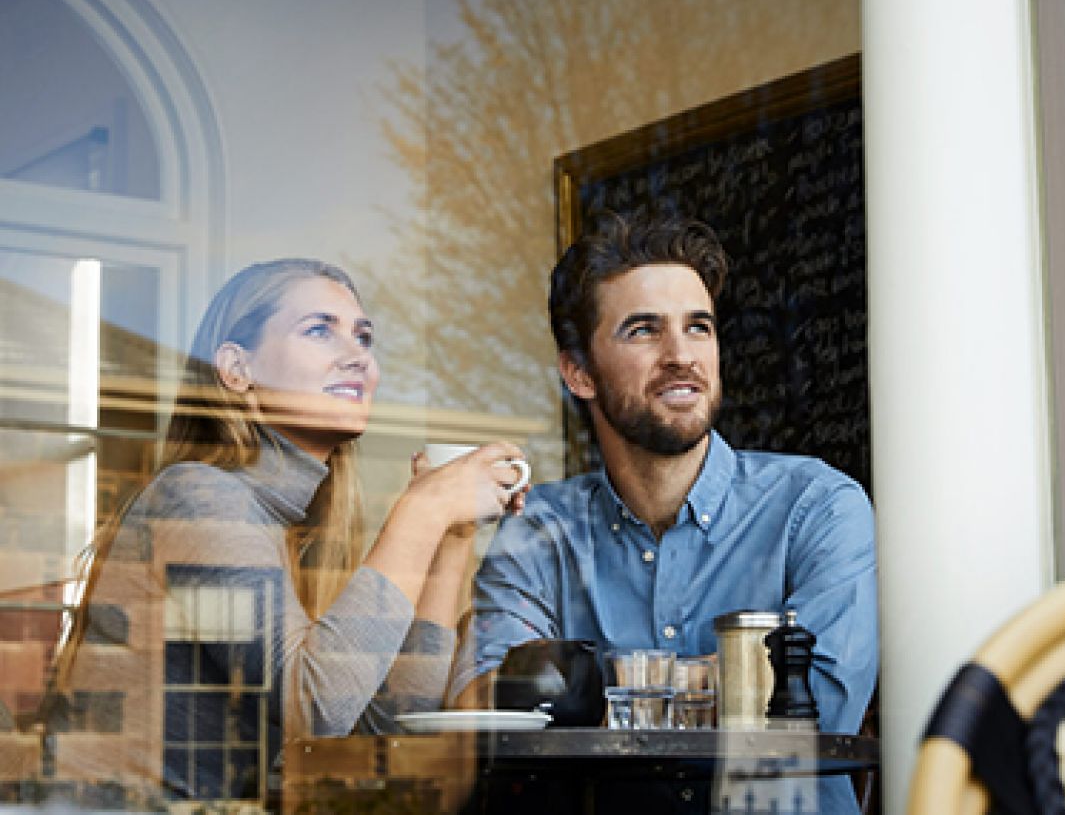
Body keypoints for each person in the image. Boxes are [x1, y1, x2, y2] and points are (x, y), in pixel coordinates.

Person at [42, 258, 527, 805]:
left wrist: (453, 537)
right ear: (235, 368)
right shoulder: (199, 498)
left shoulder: (270, 524)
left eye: (364, 337)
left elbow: (382, 724)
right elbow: (313, 712)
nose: (357, 356)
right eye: (319, 329)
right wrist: (423, 508)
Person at [451, 210, 877, 813]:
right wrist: (721, 679)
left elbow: (816, 701)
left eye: (698, 327)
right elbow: (487, 709)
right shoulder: (540, 530)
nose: (682, 355)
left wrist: (591, 689)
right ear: (579, 371)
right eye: (644, 330)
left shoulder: (815, 507)